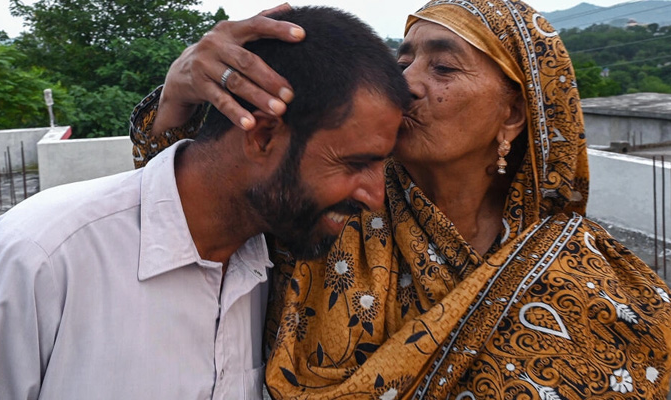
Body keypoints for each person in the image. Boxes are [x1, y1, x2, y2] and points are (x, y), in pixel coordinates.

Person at [130, 1, 671, 399]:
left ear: (512, 114)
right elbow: (188, 210)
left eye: (443, 67)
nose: (405, 83)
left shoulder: (596, 282)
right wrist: (178, 94)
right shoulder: (323, 211)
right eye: (402, 60)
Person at [0, 6, 410, 399]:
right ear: (261, 136)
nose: (374, 196)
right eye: (355, 163)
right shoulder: (38, 259)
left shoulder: (284, 276)